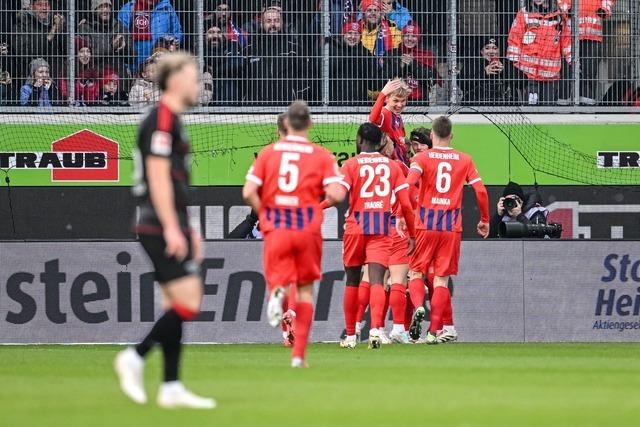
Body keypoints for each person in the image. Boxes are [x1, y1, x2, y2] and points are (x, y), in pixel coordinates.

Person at [115, 52, 215, 409]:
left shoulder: (172, 119)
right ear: (174, 80)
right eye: (192, 77)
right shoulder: (161, 118)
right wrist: (173, 228)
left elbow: (176, 183)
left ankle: (171, 386)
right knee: (189, 302)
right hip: (158, 221)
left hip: (169, 220)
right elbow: (157, 176)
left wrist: (191, 230)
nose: (198, 84)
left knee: (175, 304)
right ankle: (135, 356)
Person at [242, 101, 345, 368]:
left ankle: (278, 297)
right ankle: (298, 356)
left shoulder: (268, 154)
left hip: (276, 225)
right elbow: (336, 193)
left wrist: (265, 214)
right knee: (305, 290)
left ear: (285, 126)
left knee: (280, 278)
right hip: (307, 227)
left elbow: (248, 192)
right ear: (309, 124)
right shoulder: (321, 155)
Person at [330, 123, 416, 349]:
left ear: (359, 140)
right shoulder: (393, 166)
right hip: (380, 227)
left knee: (353, 281)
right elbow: (406, 205)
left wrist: (316, 206)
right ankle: (376, 330)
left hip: (355, 226)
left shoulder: (350, 164)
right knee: (378, 281)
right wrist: (413, 234)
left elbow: (337, 196)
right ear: (380, 142)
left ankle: (350, 336)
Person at [406, 116, 490, 344]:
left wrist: (407, 213)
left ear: (432, 136)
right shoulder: (465, 159)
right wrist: (484, 219)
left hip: (425, 224)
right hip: (451, 226)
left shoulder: (421, 157)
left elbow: (410, 184)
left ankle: (418, 307)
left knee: (415, 273)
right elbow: (481, 191)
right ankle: (434, 333)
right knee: (441, 280)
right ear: (451, 135)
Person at [507, 0, 571, 105]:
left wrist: (571, 59)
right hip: (529, 72)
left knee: (548, 106)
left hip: (550, 73)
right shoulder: (524, 14)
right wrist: (514, 60)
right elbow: (515, 37)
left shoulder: (559, 15)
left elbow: (566, 40)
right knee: (531, 107)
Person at [557, 0, 616, 105]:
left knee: (589, 70)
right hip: (571, 34)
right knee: (567, 70)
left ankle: (586, 103)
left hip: (592, 34)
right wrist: (566, 8)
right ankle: (564, 101)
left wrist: (604, 8)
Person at [244, 6, 300, 102]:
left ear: (282, 23)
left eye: (276, 20)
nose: (273, 24)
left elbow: (303, 76)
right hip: (255, 105)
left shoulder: (293, 47)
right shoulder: (250, 48)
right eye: (268, 21)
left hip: (286, 104)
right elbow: (242, 77)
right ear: (262, 24)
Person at [78, 0, 134, 92]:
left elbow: (133, 57)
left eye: (108, 6)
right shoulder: (85, 28)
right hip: (96, 80)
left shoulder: (119, 26)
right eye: (101, 7)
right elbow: (87, 57)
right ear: (94, 10)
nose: (105, 10)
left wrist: (124, 47)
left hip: (119, 80)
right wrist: (112, 47)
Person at [117, 0, 183, 72]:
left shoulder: (166, 7)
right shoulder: (129, 8)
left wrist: (175, 41)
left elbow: (176, 31)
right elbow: (121, 33)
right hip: (136, 64)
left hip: (161, 62)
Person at [11, 0, 67, 81]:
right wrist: (51, 33)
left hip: (55, 75)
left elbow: (66, 51)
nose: (44, 8)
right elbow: (23, 52)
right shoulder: (21, 25)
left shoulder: (55, 22)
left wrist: (61, 29)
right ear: (31, 7)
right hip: (31, 77)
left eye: (46, 5)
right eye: (39, 5)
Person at [384, 22, 438, 102]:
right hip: (395, 102)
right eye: (406, 35)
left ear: (419, 38)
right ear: (402, 37)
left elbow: (431, 80)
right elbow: (384, 78)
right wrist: (400, 66)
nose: (409, 39)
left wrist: (413, 64)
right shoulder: (391, 54)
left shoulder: (426, 55)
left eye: (413, 36)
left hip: (419, 102)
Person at [330, 21, 379, 104]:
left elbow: (372, 82)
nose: (353, 37)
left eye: (356, 34)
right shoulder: (332, 49)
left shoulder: (365, 53)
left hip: (358, 103)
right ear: (343, 34)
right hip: (333, 104)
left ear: (360, 37)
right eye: (349, 33)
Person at [460, 37, 517, 105]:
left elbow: (522, 83)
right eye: (487, 48)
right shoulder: (472, 63)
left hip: (504, 106)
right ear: (481, 51)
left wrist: (504, 71)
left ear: (499, 51)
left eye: (495, 48)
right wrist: (484, 73)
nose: (491, 51)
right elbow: (462, 85)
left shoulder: (507, 63)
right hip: (476, 106)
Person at [369, 79, 410, 164]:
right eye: (396, 101)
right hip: (389, 166)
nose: (399, 105)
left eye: (403, 101)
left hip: (399, 166)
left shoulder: (397, 116)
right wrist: (382, 94)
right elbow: (372, 119)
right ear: (387, 99)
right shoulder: (384, 113)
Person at [359, 0, 402, 68]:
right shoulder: (357, 30)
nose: (373, 13)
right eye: (369, 10)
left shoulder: (392, 28)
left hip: (386, 71)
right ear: (364, 13)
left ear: (381, 13)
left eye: (376, 10)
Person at [59, 37, 100, 106]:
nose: (85, 55)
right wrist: (80, 86)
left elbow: (94, 96)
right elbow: (64, 93)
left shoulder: (93, 71)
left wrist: (89, 87)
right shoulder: (66, 70)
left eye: (88, 51)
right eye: (81, 51)